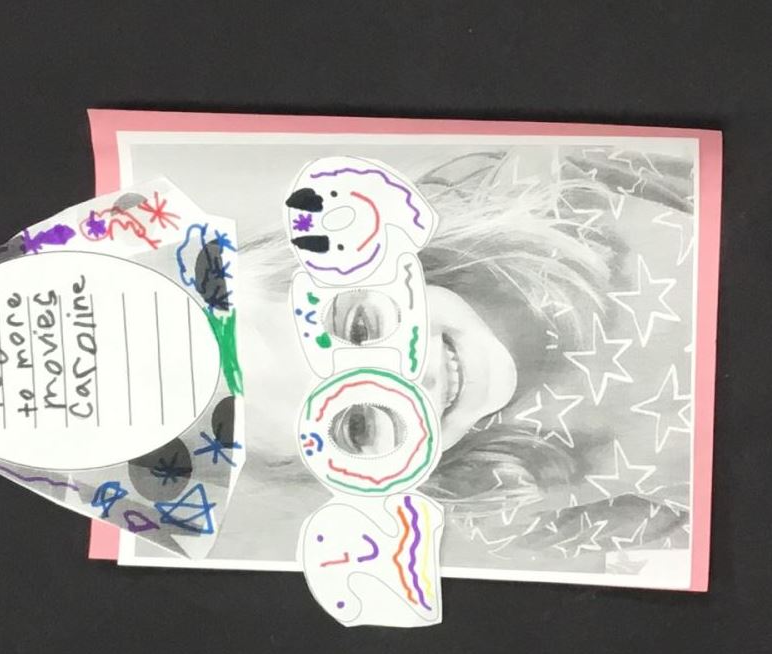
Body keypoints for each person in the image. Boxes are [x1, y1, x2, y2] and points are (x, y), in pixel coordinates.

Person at [234, 146, 693, 568]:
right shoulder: (503, 504)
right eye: (358, 426)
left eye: (359, 328)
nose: (414, 378)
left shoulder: (552, 191)